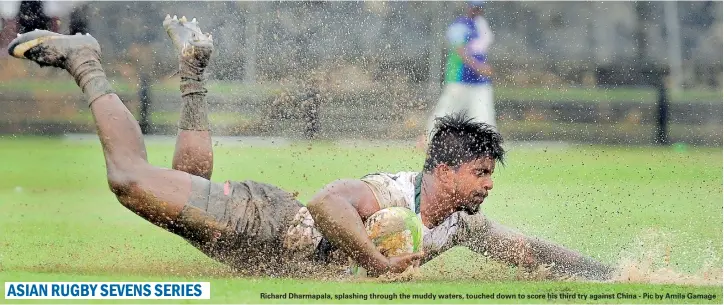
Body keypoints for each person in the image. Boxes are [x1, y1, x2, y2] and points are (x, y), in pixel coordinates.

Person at [7, 15, 613, 280]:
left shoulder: (456, 223)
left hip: (254, 250)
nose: (487, 186)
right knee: (130, 181)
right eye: (480, 173)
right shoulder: (396, 192)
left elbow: (528, 251)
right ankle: (86, 61)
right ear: (444, 170)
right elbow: (326, 203)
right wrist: (377, 266)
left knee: (182, 191)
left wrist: (614, 274)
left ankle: (194, 72)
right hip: (266, 224)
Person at [425, 1, 497, 142]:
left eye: (480, 7)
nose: (477, 10)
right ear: (468, 7)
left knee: (485, 116)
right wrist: (479, 67)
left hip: (480, 82)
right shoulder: (459, 26)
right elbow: (460, 51)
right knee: (445, 113)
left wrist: (482, 69)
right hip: (459, 78)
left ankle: (488, 146)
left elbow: (481, 49)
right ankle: (430, 140)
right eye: (475, 7)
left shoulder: (482, 25)